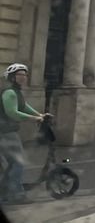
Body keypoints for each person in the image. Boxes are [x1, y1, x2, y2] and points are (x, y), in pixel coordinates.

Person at [0, 63, 47, 205]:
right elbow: (12, 112)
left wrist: (40, 114)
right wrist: (35, 119)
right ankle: (16, 194)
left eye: (25, 74)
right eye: (20, 74)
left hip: (7, 131)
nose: (23, 77)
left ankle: (6, 192)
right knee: (18, 162)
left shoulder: (16, 92)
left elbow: (24, 106)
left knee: (11, 163)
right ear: (12, 77)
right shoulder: (9, 92)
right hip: (5, 132)